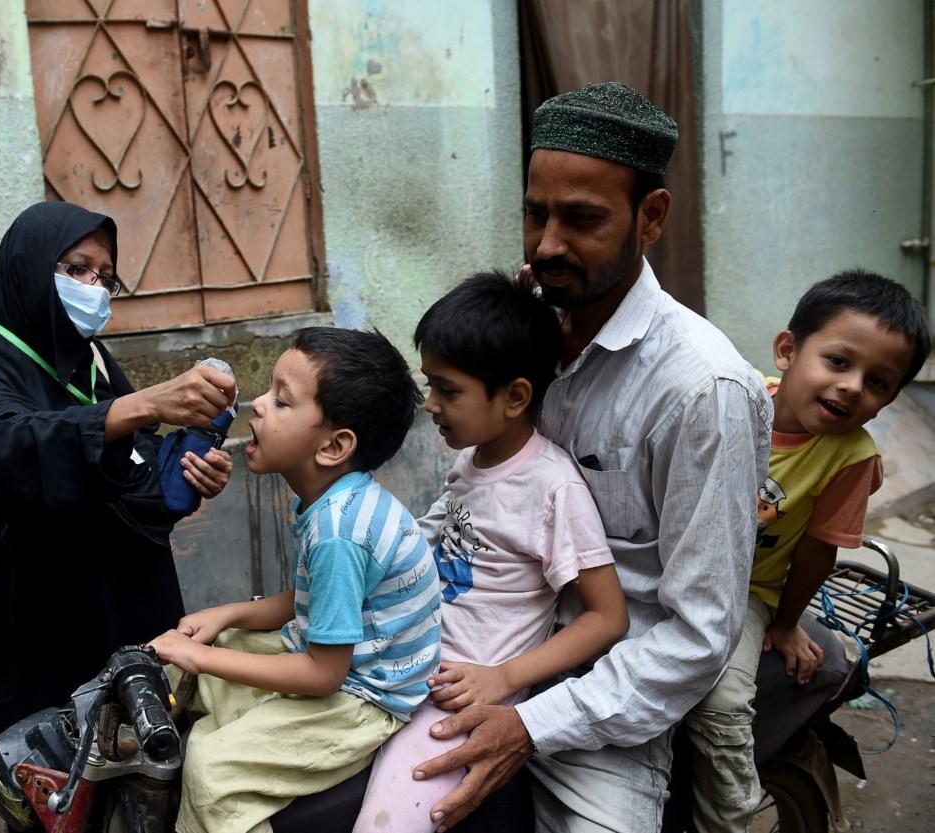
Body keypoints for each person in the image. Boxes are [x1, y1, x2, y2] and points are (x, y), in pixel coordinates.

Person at [414, 81, 773, 833]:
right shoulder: (528, 314)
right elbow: (474, 490)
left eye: (581, 220)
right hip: (478, 639)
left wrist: (536, 722)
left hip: (606, 696)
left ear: (651, 217)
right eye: (534, 214)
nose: (546, 245)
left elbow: (697, 634)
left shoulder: (703, 389)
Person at [0, 201, 235, 741]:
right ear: (28, 264)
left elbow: (128, 462)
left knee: (150, 772)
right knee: (61, 784)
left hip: (127, 610)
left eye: (106, 278)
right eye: (75, 269)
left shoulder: (90, 360)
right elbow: (8, 445)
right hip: (39, 630)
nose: (94, 288)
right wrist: (146, 403)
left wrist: (186, 472)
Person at [353, 272, 629, 833]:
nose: (430, 404)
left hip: (459, 702)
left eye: (447, 390)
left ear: (515, 397)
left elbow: (608, 617)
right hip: (410, 664)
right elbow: (423, 540)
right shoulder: (471, 461)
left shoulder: (553, 488)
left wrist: (503, 678)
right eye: (430, 384)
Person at [149, 327, 442, 833]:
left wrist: (203, 654)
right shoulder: (335, 499)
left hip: (362, 700)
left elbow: (324, 674)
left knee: (210, 768)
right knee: (206, 668)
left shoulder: (338, 531)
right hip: (336, 660)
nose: (258, 406)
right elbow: (316, 601)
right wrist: (228, 615)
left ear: (333, 446)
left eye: (281, 401)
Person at [685, 270, 930, 832]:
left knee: (722, 706)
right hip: (670, 566)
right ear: (788, 350)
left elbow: (819, 552)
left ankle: (728, 817)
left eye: (878, 383)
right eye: (839, 362)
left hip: (746, 593)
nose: (852, 386)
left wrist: (788, 621)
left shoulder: (851, 458)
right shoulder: (734, 394)